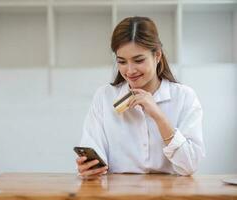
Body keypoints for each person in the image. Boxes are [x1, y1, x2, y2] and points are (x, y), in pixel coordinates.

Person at [76, 16, 205, 179]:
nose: (130, 71)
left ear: (157, 56)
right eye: (122, 62)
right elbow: (93, 150)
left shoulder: (184, 97)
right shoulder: (104, 97)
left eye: (138, 60)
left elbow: (190, 166)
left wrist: (158, 115)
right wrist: (89, 168)